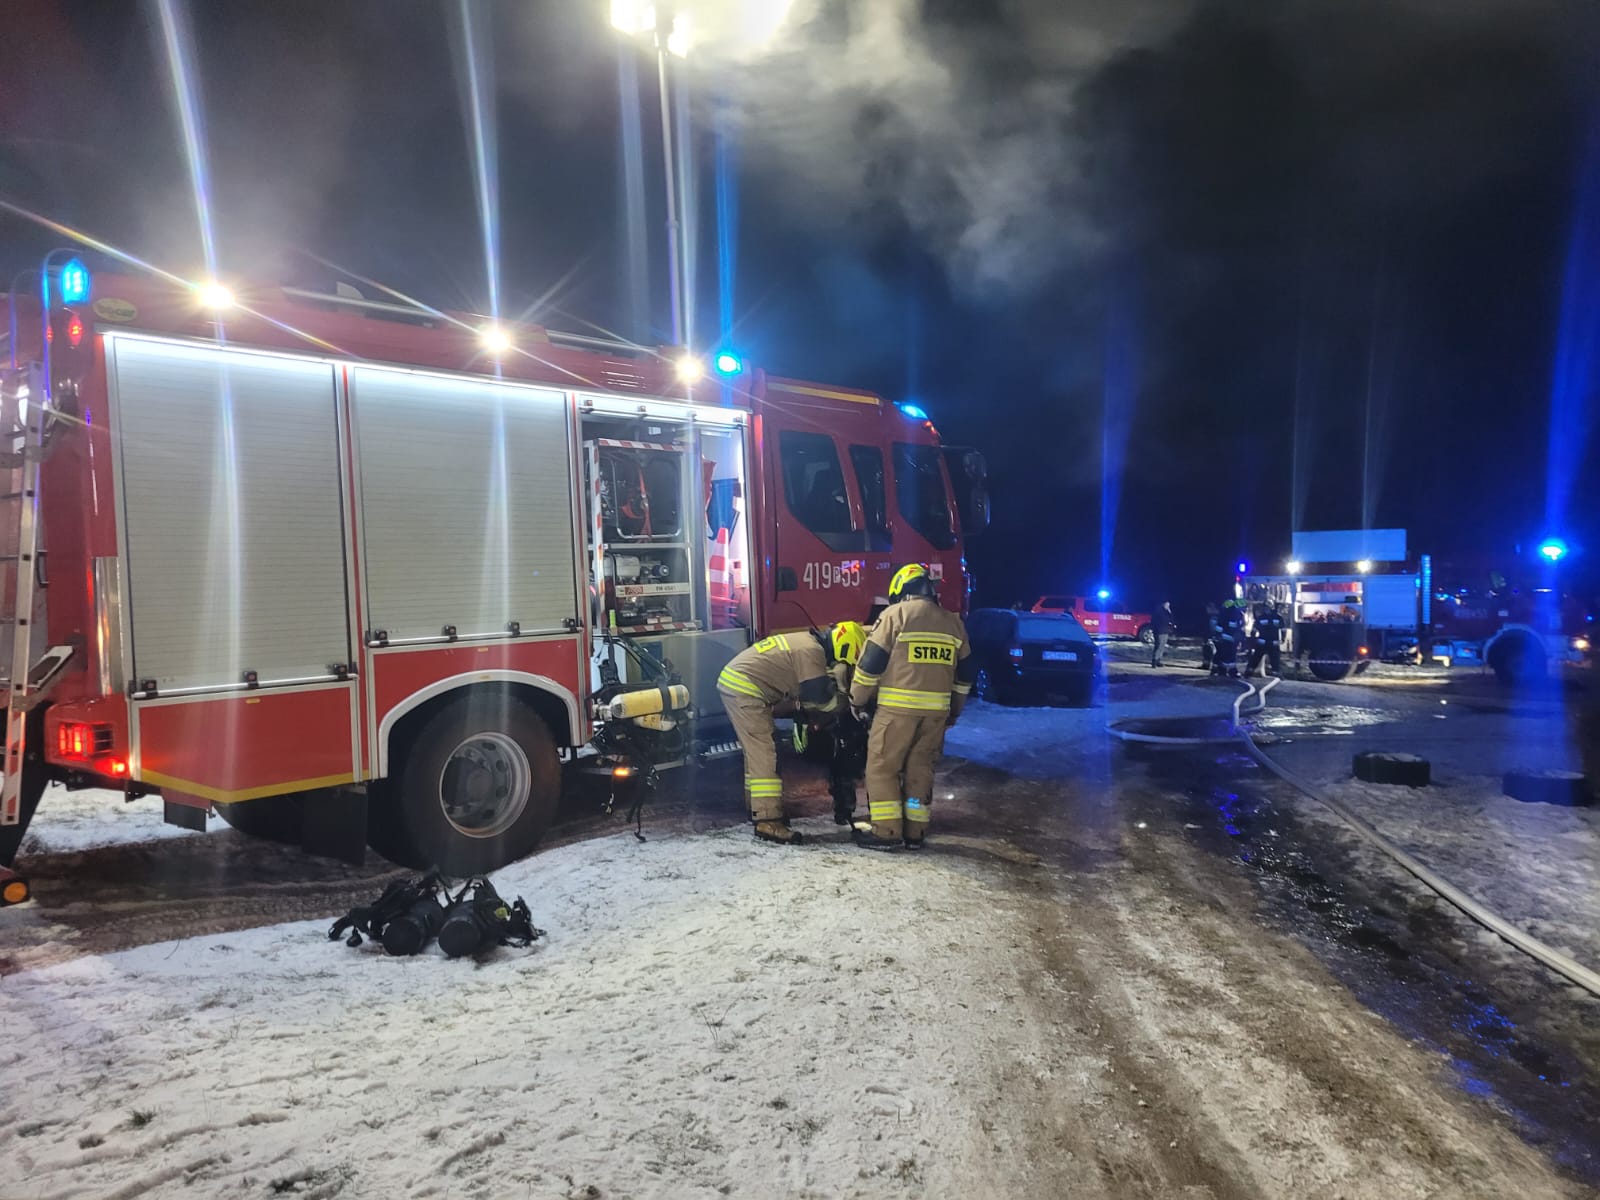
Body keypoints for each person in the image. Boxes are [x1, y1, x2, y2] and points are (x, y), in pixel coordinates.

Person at [849, 563, 974, 850]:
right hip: (936, 715)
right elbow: (966, 673)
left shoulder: (895, 615)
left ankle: (886, 831)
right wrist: (954, 710)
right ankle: (915, 831)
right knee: (921, 770)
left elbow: (871, 664)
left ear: (901, 591)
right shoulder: (953, 622)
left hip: (897, 712)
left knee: (882, 768)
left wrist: (857, 699)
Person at [718, 621, 867, 845]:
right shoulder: (812, 652)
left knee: (755, 753)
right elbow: (819, 699)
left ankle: (757, 809)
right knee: (765, 753)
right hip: (745, 689)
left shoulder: (807, 643)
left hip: (737, 683)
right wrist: (845, 703)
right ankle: (768, 820)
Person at [1246, 600, 1285, 677]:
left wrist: (1253, 640)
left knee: (1256, 658)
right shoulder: (1278, 618)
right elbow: (1283, 630)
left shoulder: (1261, 618)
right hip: (1273, 643)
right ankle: (1277, 674)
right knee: (1275, 660)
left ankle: (1248, 672)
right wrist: (1283, 639)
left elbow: (1254, 630)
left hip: (1262, 642)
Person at [1212, 598, 1245, 678]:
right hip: (1231, 638)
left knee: (1222, 654)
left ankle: (1221, 670)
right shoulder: (1237, 614)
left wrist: (1218, 635)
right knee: (1231, 655)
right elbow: (1236, 627)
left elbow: (1219, 626)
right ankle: (1232, 671)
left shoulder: (1223, 614)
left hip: (1223, 637)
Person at [1151, 600, 1177, 668]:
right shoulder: (1159, 611)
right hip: (1160, 631)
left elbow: (1171, 619)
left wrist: (1169, 613)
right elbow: (1164, 620)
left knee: (1162, 646)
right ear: (1164, 604)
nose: (1168, 606)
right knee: (1159, 646)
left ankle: (1158, 660)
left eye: (1169, 605)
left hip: (1164, 631)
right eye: (1167, 605)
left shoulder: (1165, 611)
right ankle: (1154, 661)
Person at [1200, 602, 1220, 672]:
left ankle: (1211, 665)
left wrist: (1211, 636)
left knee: (1211, 650)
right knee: (1208, 649)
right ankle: (1207, 664)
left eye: (1208, 608)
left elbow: (1212, 629)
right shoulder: (1210, 617)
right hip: (1209, 636)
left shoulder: (1214, 618)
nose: (1207, 610)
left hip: (1211, 637)